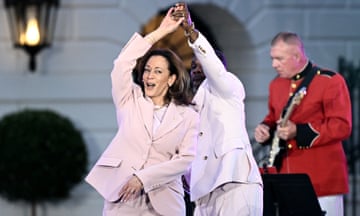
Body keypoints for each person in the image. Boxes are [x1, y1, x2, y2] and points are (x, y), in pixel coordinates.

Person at [85, 7, 199, 216]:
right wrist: (161, 31)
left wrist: (143, 178)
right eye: (147, 70)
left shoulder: (188, 115)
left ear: (171, 78)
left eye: (157, 71)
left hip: (165, 203)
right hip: (122, 196)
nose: (149, 76)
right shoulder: (130, 99)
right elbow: (121, 64)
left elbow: (186, 160)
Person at [172, 3, 263, 216]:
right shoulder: (194, 102)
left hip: (234, 181)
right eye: (192, 66)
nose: (195, 68)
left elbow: (212, 66)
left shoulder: (228, 86)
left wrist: (191, 32)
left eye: (199, 64)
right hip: (204, 190)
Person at [254, 31, 352, 216]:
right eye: (272, 58)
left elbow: (342, 126)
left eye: (279, 59)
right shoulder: (276, 85)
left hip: (322, 180)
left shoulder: (330, 81)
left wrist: (299, 132)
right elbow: (273, 117)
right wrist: (265, 129)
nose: (274, 64)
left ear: (297, 56)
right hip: (286, 180)